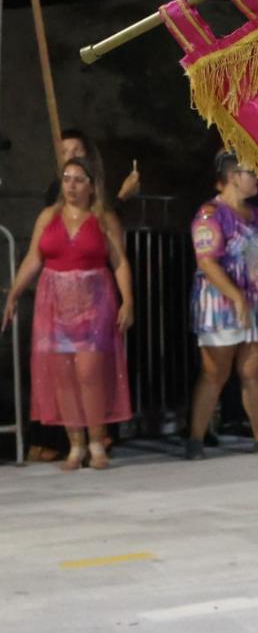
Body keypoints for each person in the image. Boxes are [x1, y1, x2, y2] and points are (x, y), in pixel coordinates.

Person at [3, 157, 134, 470]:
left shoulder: (102, 217)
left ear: (91, 185)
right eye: (66, 179)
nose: (71, 185)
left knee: (90, 374)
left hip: (94, 301)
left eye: (78, 179)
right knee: (63, 376)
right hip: (54, 304)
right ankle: (75, 444)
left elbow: (119, 262)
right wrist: (14, 293)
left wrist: (127, 300)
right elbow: (34, 258)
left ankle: (96, 441)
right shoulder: (49, 216)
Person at [184, 151, 258, 459]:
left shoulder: (255, 215)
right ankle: (195, 439)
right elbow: (206, 261)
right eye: (251, 173)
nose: (256, 179)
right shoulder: (210, 215)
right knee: (215, 373)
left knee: (254, 371)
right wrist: (235, 295)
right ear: (233, 177)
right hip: (221, 303)